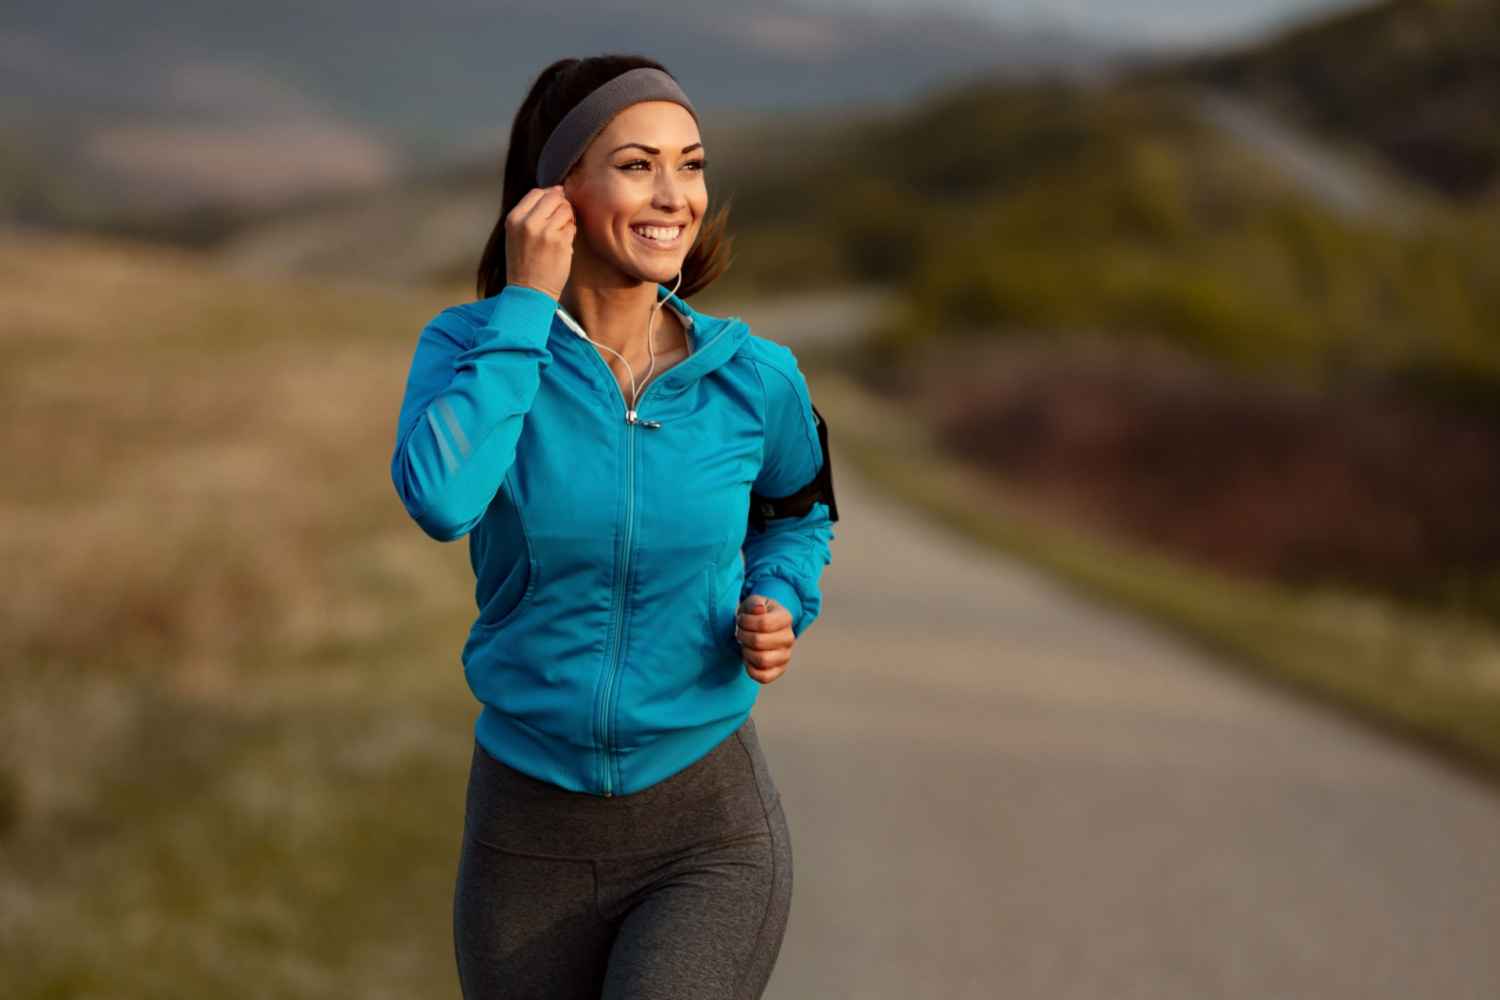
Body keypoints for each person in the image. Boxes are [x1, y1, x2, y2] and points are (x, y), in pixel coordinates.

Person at [388, 53, 839, 999]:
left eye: (692, 163)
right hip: (525, 839)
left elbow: (798, 512)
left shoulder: (757, 377)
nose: (676, 195)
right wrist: (522, 307)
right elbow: (441, 498)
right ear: (555, 194)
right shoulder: (471, 350)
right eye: (637, 165)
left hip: (706, 833)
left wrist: (779, 595)